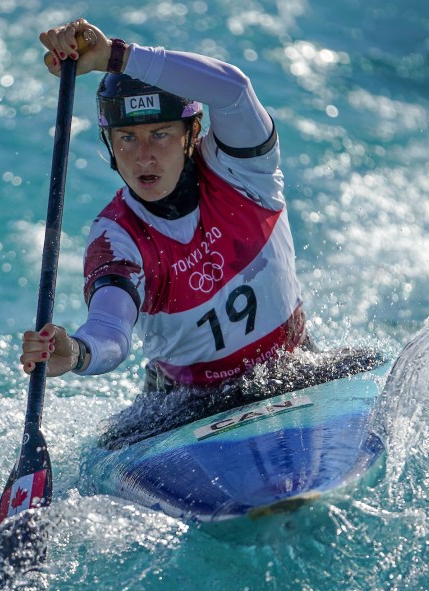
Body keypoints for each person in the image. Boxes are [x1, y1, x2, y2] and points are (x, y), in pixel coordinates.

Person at [21, 20, 380, 443]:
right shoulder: (116, 236)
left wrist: (116, 57)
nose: (144, 156)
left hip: (292, 369)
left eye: (160, 134)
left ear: (192, 133)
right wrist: (77, 352)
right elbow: (110, 329)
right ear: (109, 143)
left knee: (372, 360)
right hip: (182, 407)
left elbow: (233, 89)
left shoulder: (243, 170)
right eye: (127, 139)